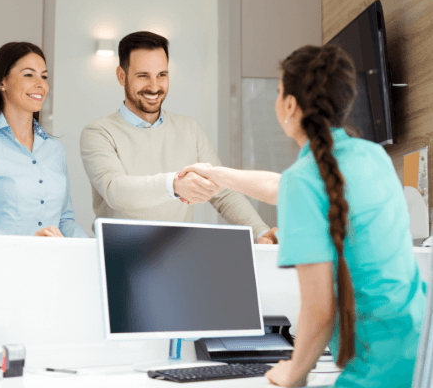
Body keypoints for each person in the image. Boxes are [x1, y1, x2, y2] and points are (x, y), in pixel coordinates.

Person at [180, 44, 426, 387]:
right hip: (421, 352)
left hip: (376, 371)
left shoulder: (306, 179)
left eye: (279, 91)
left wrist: (293, 373)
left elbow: (319, 312)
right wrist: (216, 173)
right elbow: (284, 186)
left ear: (290, 105)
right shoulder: (373, 156)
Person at [80, 31, 277, 243]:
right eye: (143, 75)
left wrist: (259, 231)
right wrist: (174, 185)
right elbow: (115, 191)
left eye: (162, 75)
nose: (154, 87)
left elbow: (223, 192)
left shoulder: (189, 129)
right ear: (121, 76)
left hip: (177, 254)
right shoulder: (98, 133)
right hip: (118, 255)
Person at [0, 42, 88, 238]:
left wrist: (91, 246)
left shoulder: (54, 149)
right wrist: (27, 244)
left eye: (44, 76)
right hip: (2, 265)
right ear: (2, 82)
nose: (41, 84)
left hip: (52, 264)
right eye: (29, 75)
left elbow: (65, 220)